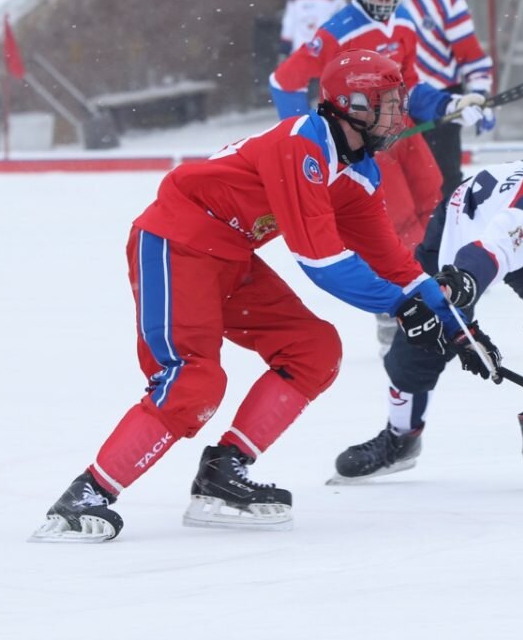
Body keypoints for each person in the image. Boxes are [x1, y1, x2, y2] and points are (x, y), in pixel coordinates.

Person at [30, 50, 496, 543]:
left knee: (314, 350)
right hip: (175, 242)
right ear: (352, 105)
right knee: (193, 382)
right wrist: (403, 307)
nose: (397, 115)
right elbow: (323, 262)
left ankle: (224, 473)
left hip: (229, 256)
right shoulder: (304, 144)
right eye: (387, 103)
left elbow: (395, 264)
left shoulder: (358, 174)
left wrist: (458, 326)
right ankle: (87, 496)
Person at [329, 125, 523, 491]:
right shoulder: (521, 216)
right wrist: (463, 319)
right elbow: (487, 254)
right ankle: (401, 437)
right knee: (423, 340)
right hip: (463, 242)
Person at [270, 0, 491, 354]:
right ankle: (395, 315)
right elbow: (284, 81)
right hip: (366, 139)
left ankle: (439, 296)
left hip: (403, 131)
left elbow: (410, 85)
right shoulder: (339, 29)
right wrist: (305, 137)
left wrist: (451, 103)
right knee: (396, 222)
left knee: (435, 202)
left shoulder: (405, 21)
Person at [394, 0, 495, 199]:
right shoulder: (384, 1)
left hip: (443, 104)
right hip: (397, 105)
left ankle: (450, 237)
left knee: (445, 180)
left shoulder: (447, 0)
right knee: (400, 184)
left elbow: (471, 55)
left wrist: (480, 94)